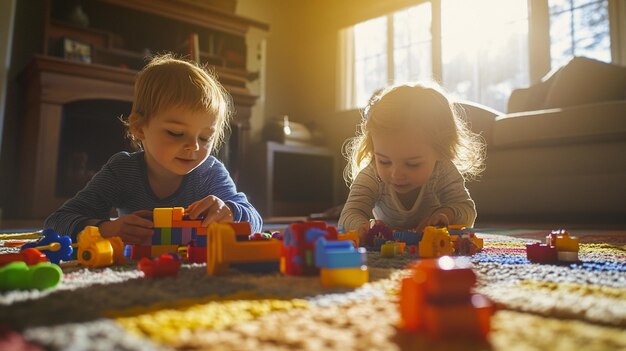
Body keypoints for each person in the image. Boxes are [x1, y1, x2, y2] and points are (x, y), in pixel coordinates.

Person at [45, 54, 262, 244]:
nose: (194, 146)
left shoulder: (209, 172)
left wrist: (231, 211)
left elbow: (255, 221)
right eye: (176, 133)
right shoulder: (122, 171)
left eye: (206, 137)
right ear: (139, 128)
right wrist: (107, 229)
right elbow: (57, 222)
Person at [338, 82, 485, 240]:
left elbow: (466, 209)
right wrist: (361, 226)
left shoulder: (443, 170)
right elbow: (349, 214)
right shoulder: (372, 175)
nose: (396, 174)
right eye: (384, 161)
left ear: (442, 151)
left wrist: (445, 214)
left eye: (412, 164)